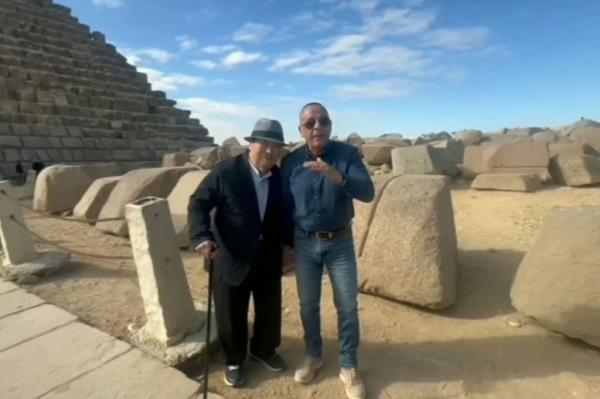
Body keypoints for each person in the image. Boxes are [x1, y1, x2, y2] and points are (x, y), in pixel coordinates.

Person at [281, 103, 374, 399]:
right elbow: (282, 206)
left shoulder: (347, 155)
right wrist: (285, 246)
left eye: (323, 121)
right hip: (305, 243)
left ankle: (348, 365)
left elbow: (368, 193)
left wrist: (339, 177)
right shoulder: (291, 161)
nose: (317, 127)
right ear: (301, 130)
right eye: (310, 123)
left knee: (347, 306)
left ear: (331, 126)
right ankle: (314, 354)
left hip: (340, 242)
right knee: (308, 305)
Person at [188, 118, 288, 388]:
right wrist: (202, 238)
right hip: (229, 257)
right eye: (264, 143)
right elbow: (198, 203)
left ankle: (263, 350)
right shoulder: (226, 172)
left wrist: (290, 245)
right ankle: (234, 359)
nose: (270, 150)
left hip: (267, 258)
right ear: (251, 144)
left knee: (269, 311)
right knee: (231, 314)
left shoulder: (280, 177)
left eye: (276, 145)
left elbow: (283, 216)